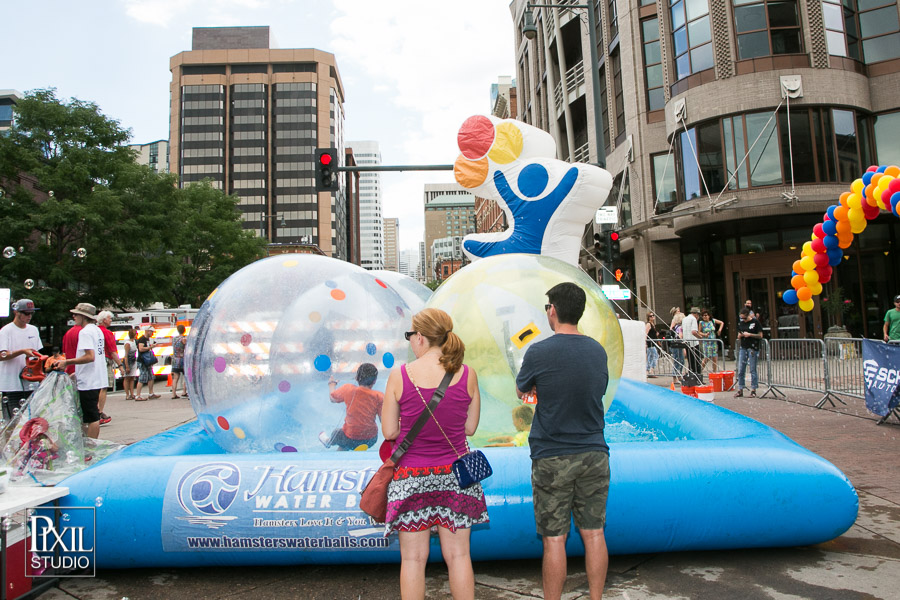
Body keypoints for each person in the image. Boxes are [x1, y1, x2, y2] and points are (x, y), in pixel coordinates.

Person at [382, 308, 488, 600]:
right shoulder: (467, 374)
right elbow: (470, 428)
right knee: (459, 556)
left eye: (410, 335)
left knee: (413, 559)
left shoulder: (400, 375)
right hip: (456, 477)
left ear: (419, 337)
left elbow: (389, 432)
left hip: (411, 477)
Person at [515, 282, 611, 600]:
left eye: (547, 308)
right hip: (594, 452)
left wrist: (539, 386)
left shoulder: (539, 351)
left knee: (554, 539)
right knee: (594, 533)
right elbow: (594, 391)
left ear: (553, 310)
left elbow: (521, 390)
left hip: (552, 454)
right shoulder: (597, 351)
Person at [57, 303, 107, 439]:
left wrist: (67, 362)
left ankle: (91, 446)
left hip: (88, 381)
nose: (74, 316)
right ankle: (90, 444)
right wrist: (77, 372)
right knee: (92, 415)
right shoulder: (97, 330)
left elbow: (90, 356)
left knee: (92, 418)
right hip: (96, 378)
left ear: (83, 316)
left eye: (76, 314)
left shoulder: (85, 332)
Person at [320, 363, 384, 450]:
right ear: (374, 381)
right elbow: (383, 421)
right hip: (370, 440)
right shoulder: (379, 396)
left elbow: (332, 399)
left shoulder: (348, 389)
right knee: (344, 445)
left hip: (350, 438)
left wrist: (332, 384)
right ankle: (344, 449)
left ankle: (328, 442)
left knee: (337, 433)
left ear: (356, 378)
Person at [0, 299, 44, 420]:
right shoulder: (6, 331)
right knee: (12, 422)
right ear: (16, 312)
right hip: (11, 384)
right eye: (26, 313)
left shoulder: (33, 329)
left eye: (31, 313)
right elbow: (1, 355)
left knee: (30, 421)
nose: (29, 316)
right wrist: (22, 351)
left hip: (31, 383)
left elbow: (37, 353)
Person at [97, 311, 124, 425]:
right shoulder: (107, 333)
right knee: (103, 387)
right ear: (104, 320)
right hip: (105, 361)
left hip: (95, 361)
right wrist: (120, 365)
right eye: (110, 319)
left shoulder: (95, 331)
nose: (111, 320)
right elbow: (113, 351)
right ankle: (99, 412)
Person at [734, 307, 763, 398]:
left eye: (745, 318)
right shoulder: (741, 323)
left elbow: (760, 335)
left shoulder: (755, 322)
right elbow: (738, 335)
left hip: (752, 347)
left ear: (748, 316)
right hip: (743, 347)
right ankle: (740, 389)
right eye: (742, 318)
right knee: (741, 369)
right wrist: (740, 335)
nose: (744, 320)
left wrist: (750, 334)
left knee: (752, 369)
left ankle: (753, 390)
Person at [134, 329, 159, 401]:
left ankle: (151, 393)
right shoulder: (142, 339)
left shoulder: (147, 339)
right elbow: (141, 349)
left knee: (151, 377)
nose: (152, 333)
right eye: (151, 332)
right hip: (142, 361)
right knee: (142, 378)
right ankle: (138, 395)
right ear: (148, 331)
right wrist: (150, 347)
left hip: (147, 361)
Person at [681, 306, 703, 384]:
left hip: (687, 343)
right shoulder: (693, 319)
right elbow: (693, 332)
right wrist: (700, 337)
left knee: (690, 362)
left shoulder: (684, 319)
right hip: (694, 343)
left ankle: (692, 379)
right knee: (697, 362)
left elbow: (682, 330)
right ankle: (698, 379)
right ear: (696, 314)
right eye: (698, 315)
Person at [668, 308, 685, 385]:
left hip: (678, 343)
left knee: (681, 360)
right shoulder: (677, 325)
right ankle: (675, 377)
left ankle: (679, 375)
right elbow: (672, 330)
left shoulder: (679, 326)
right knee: (677, 360)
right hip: (676, 343)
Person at [171, 324, 188, 399]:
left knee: (175, 378)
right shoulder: (184, 339)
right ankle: (184, 391)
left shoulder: (174, 339)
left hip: (175, 359)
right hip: (182, 359)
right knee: (185, 376)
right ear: (184, 330)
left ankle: (173, 393)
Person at [122, 328, 138, 400]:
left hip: (133, 361)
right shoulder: (128, 343)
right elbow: (126, 355)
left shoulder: (134, 342)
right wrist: (127, 366)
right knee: (127, 378)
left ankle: (132, 393)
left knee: (132, 378)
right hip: (128, 361)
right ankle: (127, 394)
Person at [645, 313, 660, 378]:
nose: (652, 317)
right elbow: (645, 333)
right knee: (655, 356)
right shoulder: (648, 324)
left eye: (653, 315)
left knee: (650, 357)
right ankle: (651, 370)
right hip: (650, 343)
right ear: (648, 317)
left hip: (653, 343)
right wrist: (645, 342)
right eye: (651, 316)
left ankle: (648, 371)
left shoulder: (653, 324)